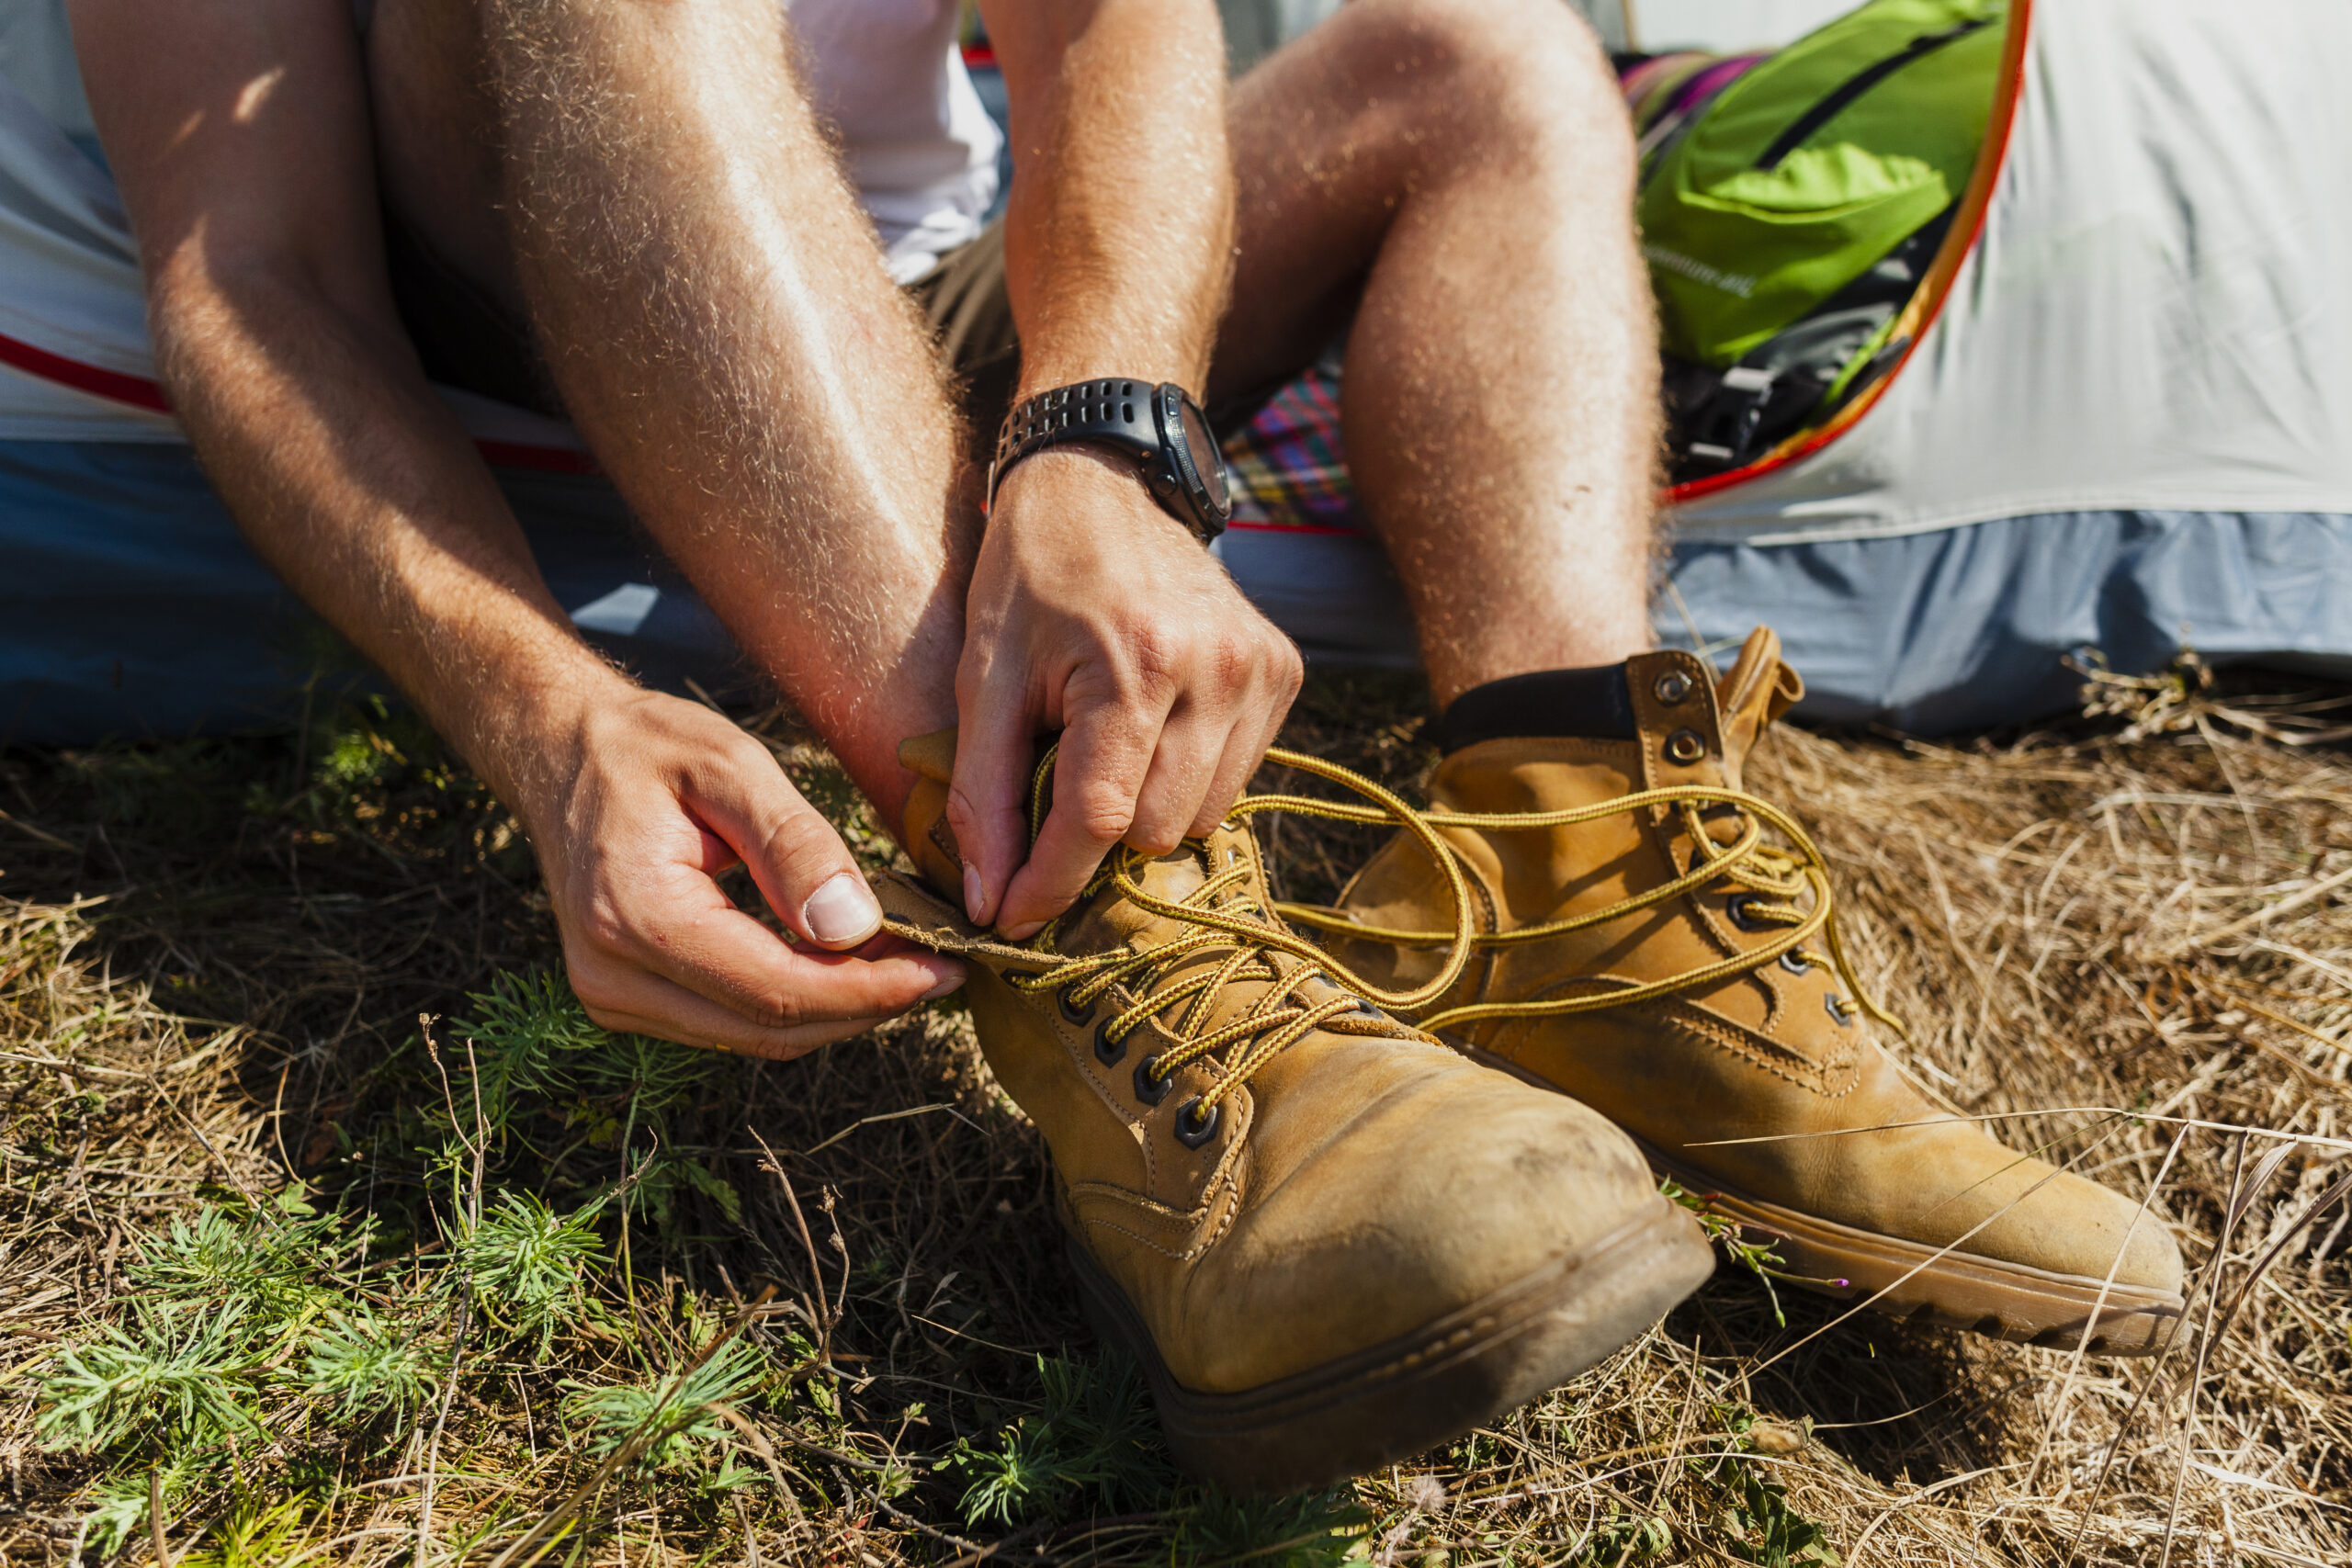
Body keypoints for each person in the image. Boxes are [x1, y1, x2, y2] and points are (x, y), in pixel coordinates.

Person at [71, 0, 2179, 1489]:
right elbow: (255, 272)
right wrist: (546, 718)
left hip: (906, 303)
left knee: (1478, 51)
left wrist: (1099, 431)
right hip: (533, 321)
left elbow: (1106, 22)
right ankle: (1113, 933)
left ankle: (1589, 887)